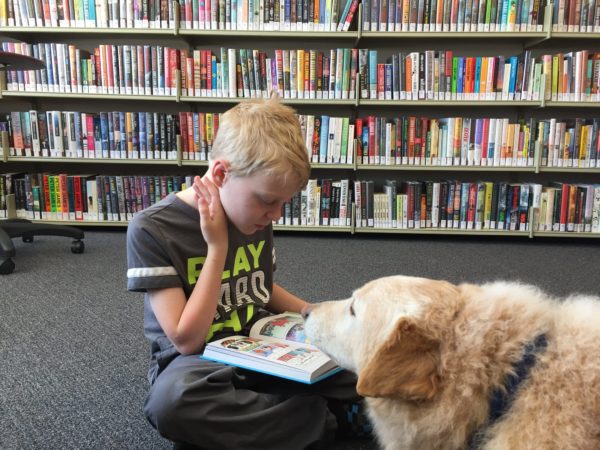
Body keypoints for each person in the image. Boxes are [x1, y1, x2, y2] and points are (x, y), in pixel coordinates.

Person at [126, 97, 370, 449]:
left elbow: (260, 287)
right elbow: (185, 339)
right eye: (269, 201)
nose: (275, 214)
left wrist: (313, 313)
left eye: (283, 203)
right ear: (222, 174)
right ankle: (321, 418)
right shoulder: (152, 228)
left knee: (364, 355)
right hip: (200, 363)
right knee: (173, 403)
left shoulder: (252, 212)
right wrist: (217, 249)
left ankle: (272, 415)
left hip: (261, 343)